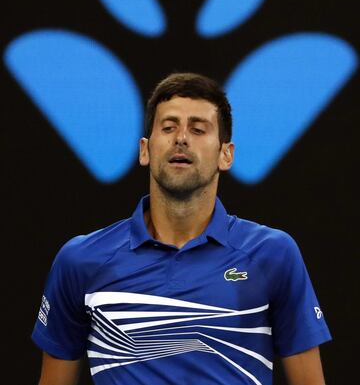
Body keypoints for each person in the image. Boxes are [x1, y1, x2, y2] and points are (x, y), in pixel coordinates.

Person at [32, 72, 331, 385]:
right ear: (145, 150)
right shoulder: (80, 260)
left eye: (198, 129)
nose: (181, 138)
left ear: (226, 154)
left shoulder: (273, 255)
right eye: (169, 127)